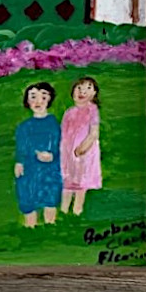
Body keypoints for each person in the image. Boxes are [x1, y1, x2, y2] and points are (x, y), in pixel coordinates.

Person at [14, 81, 63, 227]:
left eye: (43, 97)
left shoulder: (53, 122)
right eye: (33, 97)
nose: (38, 101)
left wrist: (52, 154)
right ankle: (30, 226)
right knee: (28, 196)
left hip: (50, 168)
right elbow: (21, 146)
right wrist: (19, 162)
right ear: (27, 101)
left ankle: (50, 225)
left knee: (50, 195)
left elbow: (57, 141)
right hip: (30, 167)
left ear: (49, 100)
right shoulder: (24, 126)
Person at [60, 77, 102, 216]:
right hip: (68, 152)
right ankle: (64, 210)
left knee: (81, 182)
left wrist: (83, 148)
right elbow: (63, 134)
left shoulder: (92, 110)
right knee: (68, 181)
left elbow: (94, 133)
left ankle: (77, 210)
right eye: (79, 88)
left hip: (84, 152)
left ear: (94, 93)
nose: (82, 92)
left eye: (88, 88)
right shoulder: (69, 112)